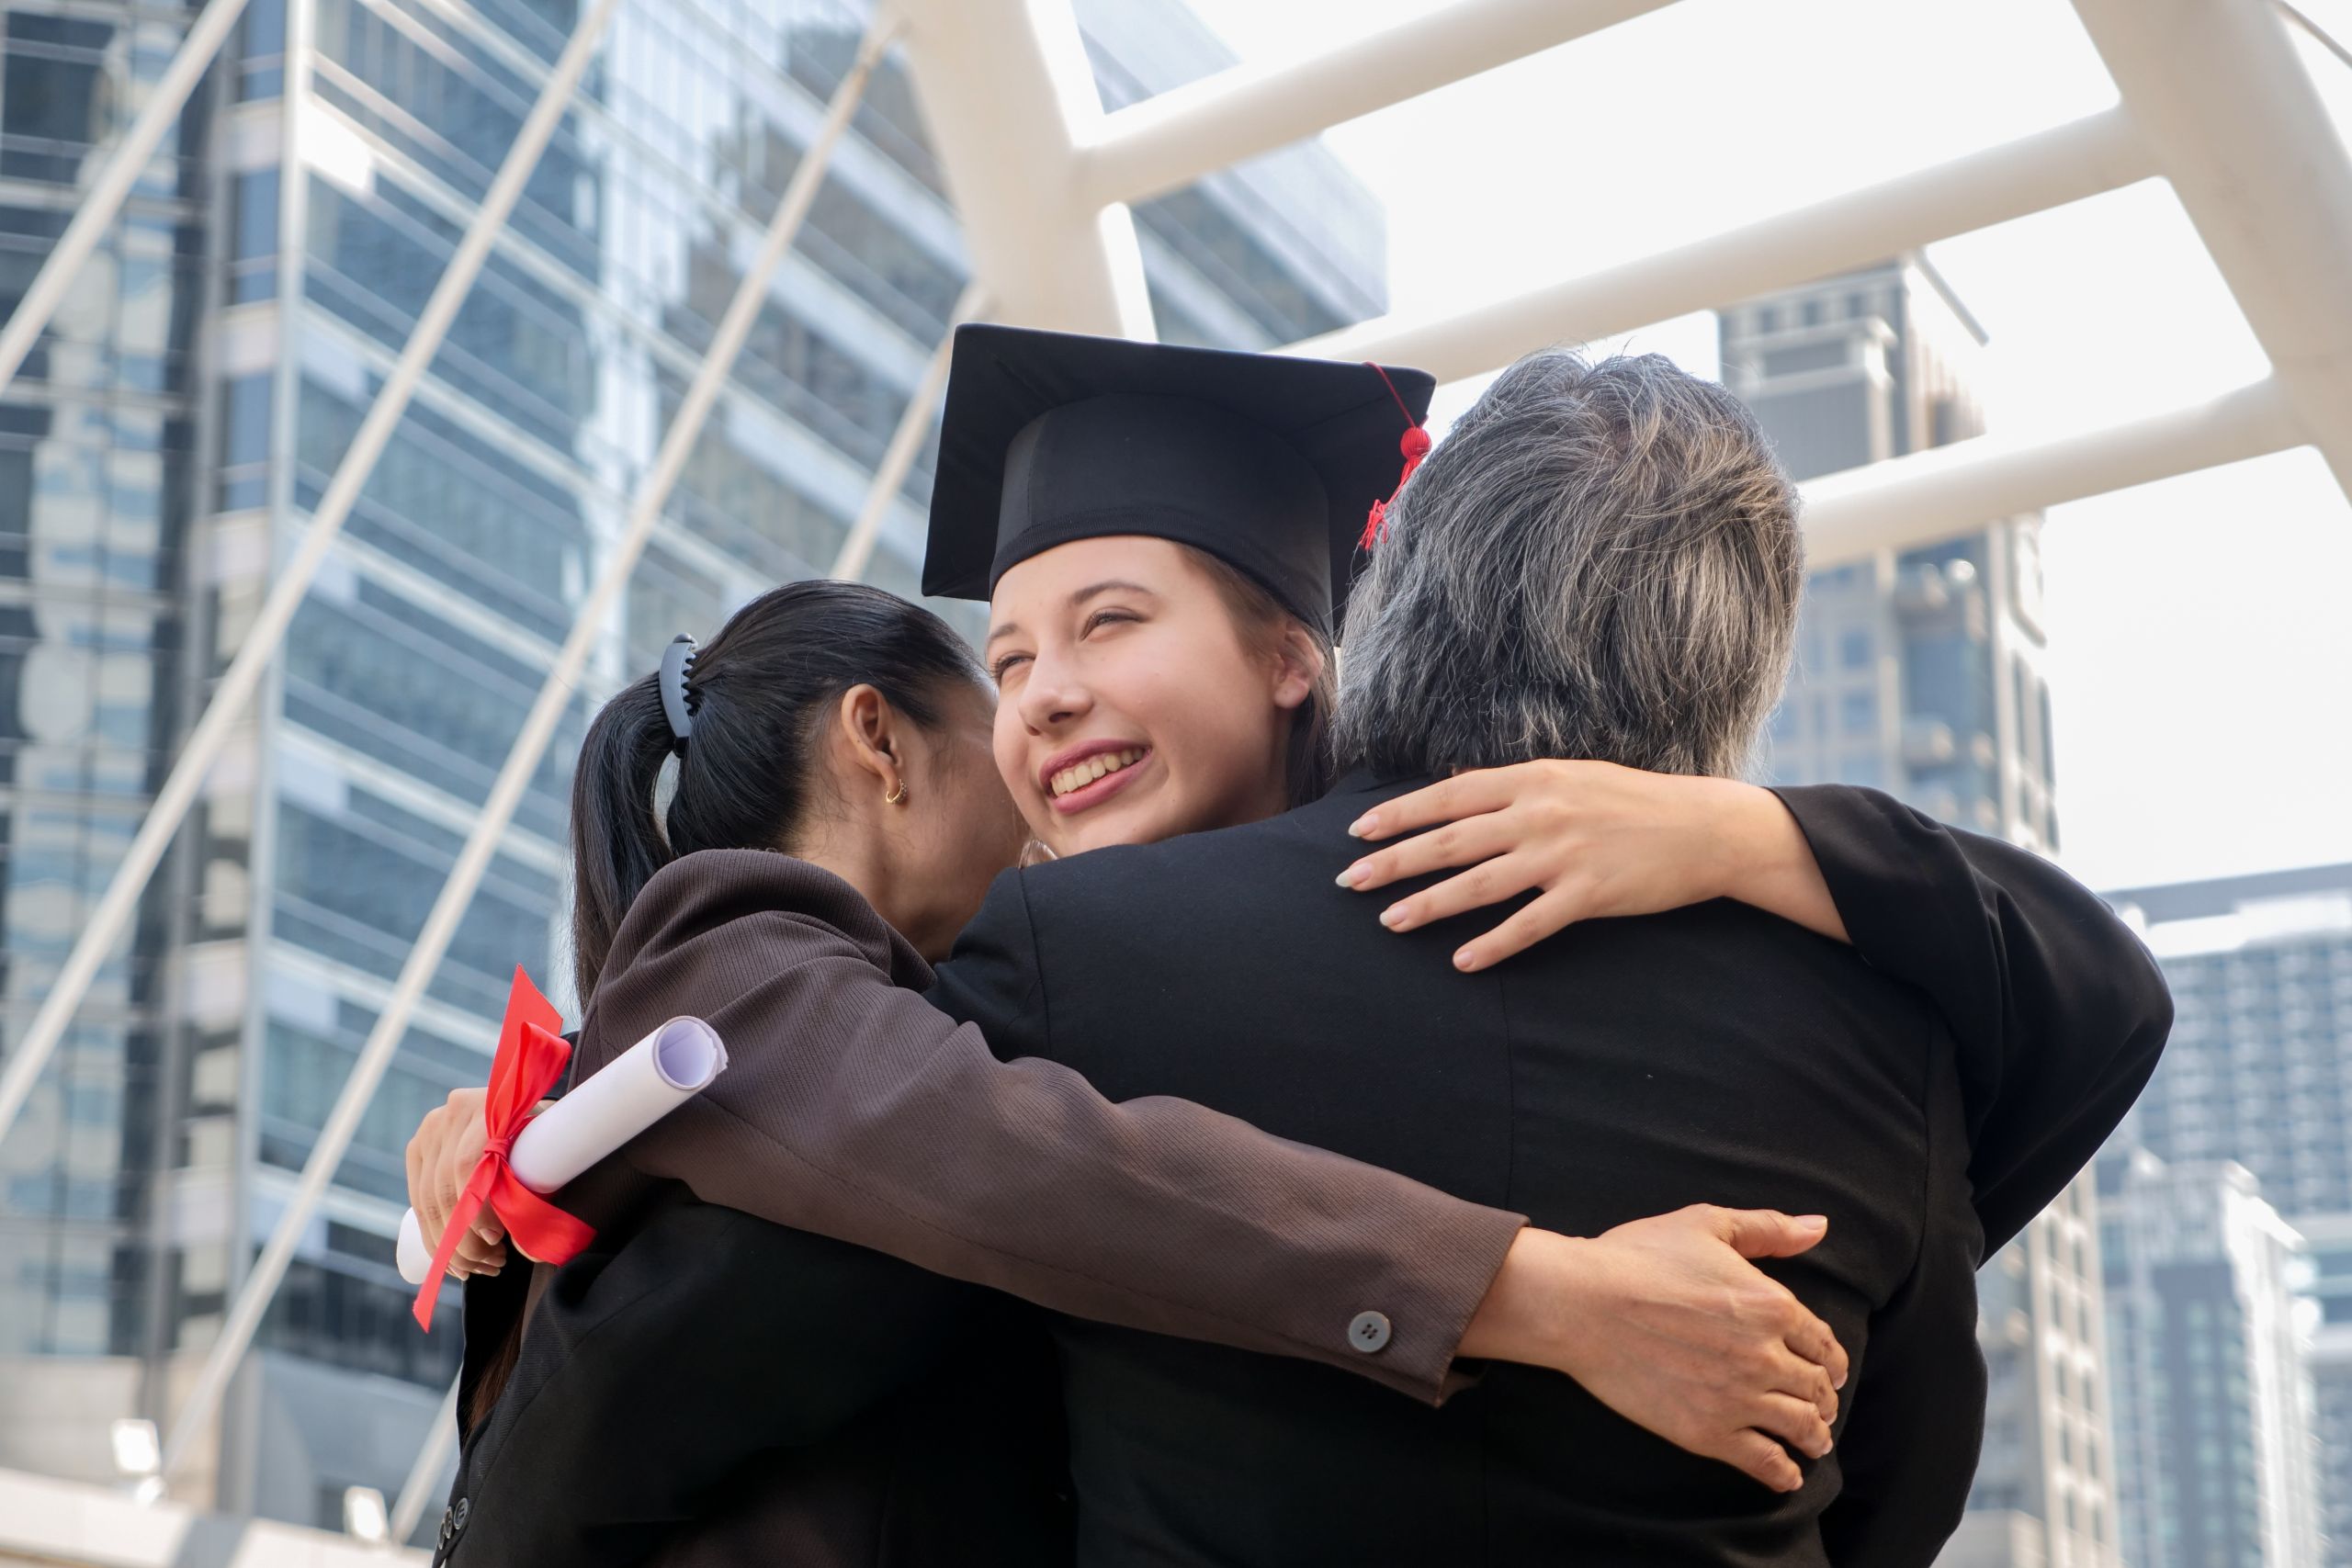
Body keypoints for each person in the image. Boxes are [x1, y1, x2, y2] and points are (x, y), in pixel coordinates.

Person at [415, 331, 2168, 1564]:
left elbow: (657, 1384)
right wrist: (1760, 832)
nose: (1047, 703)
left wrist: (532, 1269)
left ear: (1305, 647)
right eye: (1008, 661)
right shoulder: (1880, 1023)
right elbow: (1898, 1480)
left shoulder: (1051, 969)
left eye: (1109, 624)